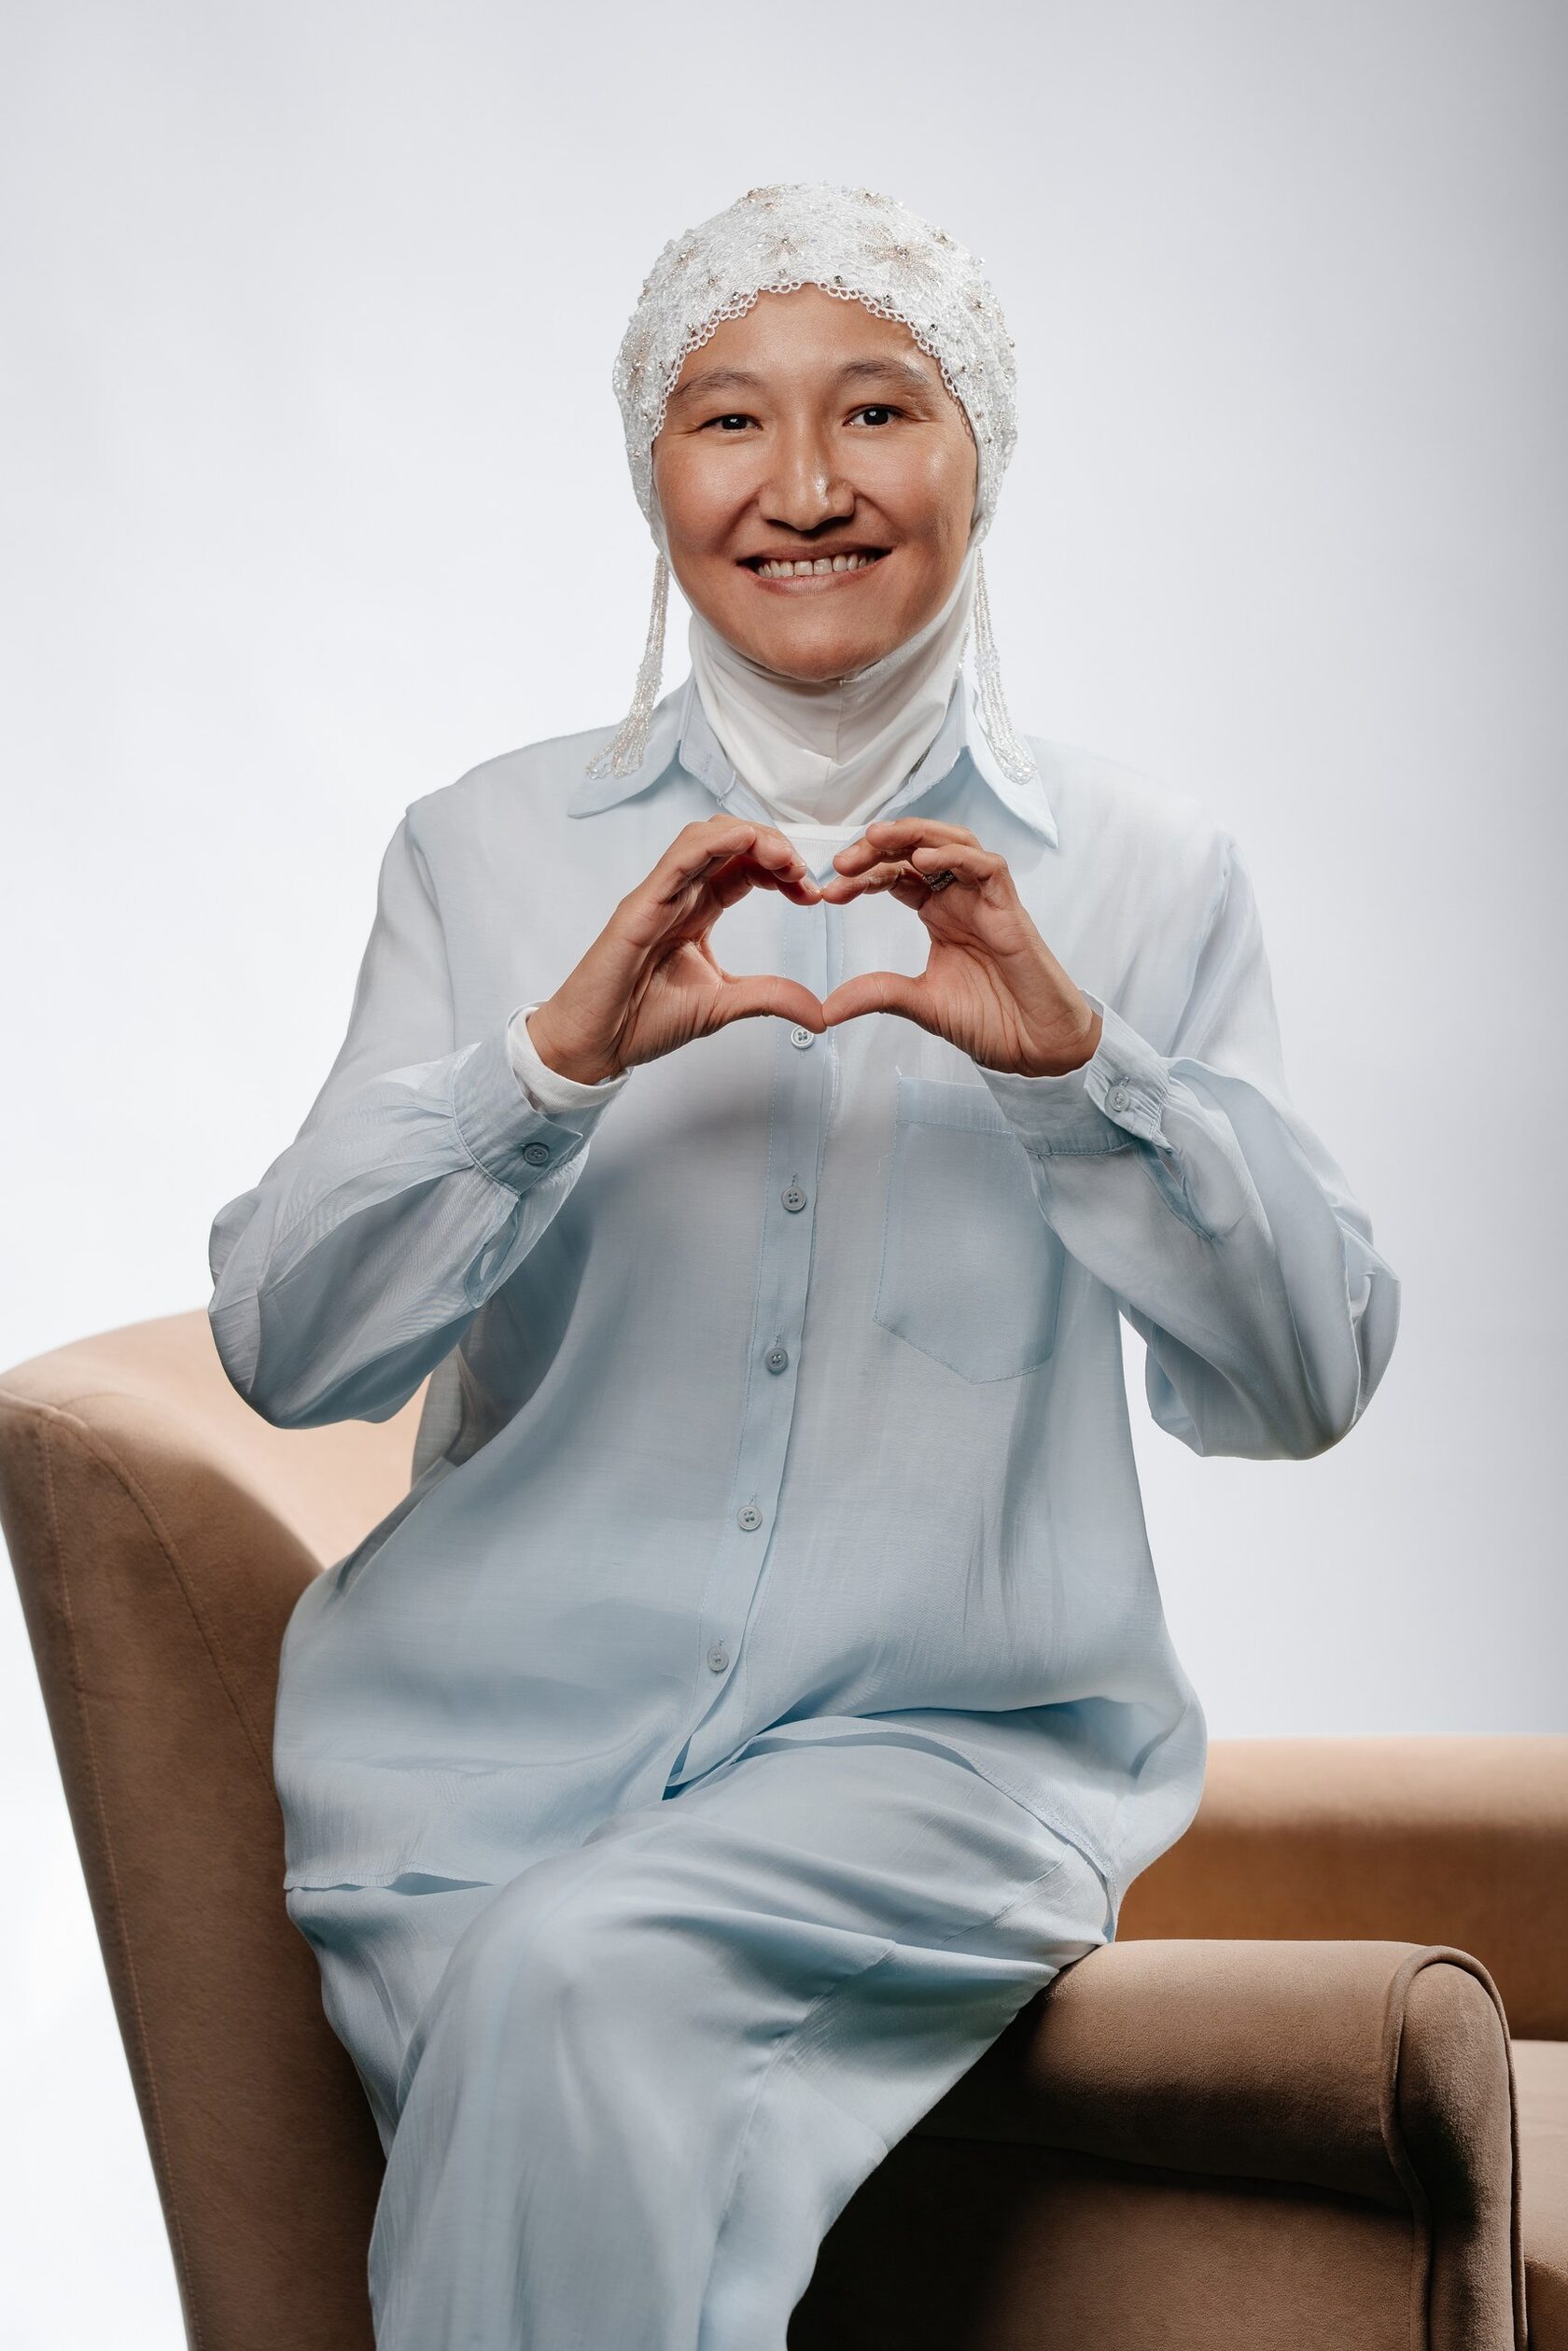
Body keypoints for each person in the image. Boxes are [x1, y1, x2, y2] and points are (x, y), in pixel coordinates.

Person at [206, 181, 1399, 2350]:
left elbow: (1304, 1379)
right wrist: (545, 1072)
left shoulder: (1144, 874)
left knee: (574, 1995)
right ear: (651, 471)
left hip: (934, 1766)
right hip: (467, 1769)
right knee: (543, 2019)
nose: (809, 486)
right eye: (727, 418)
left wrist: (1088, 1077)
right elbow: (289, 1352)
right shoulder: (481, 850)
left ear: (980, 453)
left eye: (879, 408)